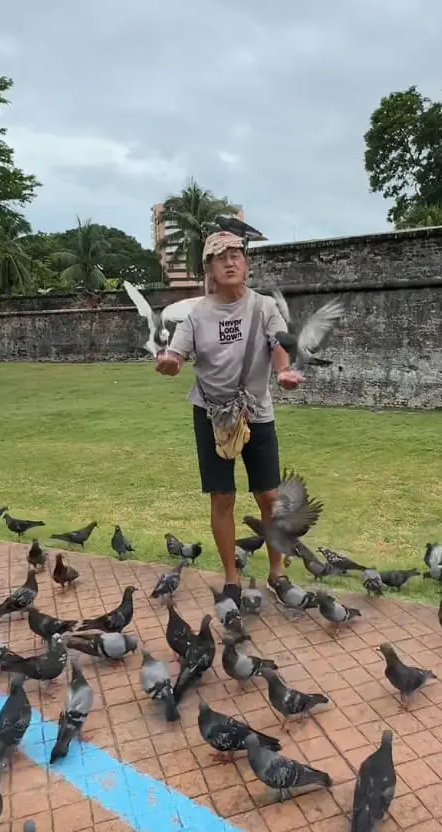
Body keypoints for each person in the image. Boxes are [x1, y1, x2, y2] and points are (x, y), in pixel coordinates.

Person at [154, 230, 301, 606]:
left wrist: (283, 372)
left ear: (246, 263)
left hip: (256, 413)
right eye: (221, 257)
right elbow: (177, 356)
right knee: (222, 498)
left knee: (269, 496)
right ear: (210, 268)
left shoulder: (265, 306)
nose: (230, 262)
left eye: (236, 254)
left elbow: (278, 343)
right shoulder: (197, 315)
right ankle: (232, 579)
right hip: (211, 415)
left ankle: (277, 573)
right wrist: (169, 364)